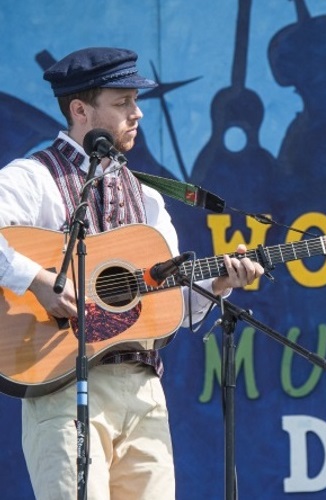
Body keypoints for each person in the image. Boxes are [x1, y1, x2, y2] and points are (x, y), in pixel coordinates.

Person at [0, 47, 265, 498]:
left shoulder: (149, 199)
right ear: (80, 110)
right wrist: (39, 281)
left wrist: (217, 283)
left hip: (144, 392)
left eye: (135, 102)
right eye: (122, 102)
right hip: (64, 384)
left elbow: (171, 309)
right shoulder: (33, 179)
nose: (137, 113)